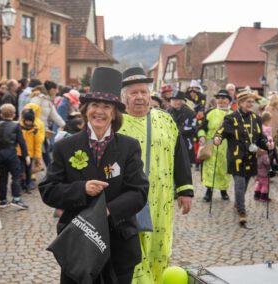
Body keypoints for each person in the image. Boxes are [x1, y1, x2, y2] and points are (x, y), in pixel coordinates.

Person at [39, 67, 149, 283]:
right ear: (85, 109)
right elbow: (48, 190)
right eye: (94, 105)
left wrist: (107, 211)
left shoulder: (129, 147)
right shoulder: (66, 146)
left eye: (106, 106)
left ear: (114, 113)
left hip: (119, 244)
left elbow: (138, 192)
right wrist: (82, 189)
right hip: (78, 243)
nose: (99, 111)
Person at [118, 67, 193, 283]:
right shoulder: (116, 124)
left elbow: (180, 156)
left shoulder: (165, 120)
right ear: (124, 97)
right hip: (129, 199)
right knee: (133, 250)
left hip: (161, 198)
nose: (140, 97)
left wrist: (185, 190)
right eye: (133, 93)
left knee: (159, 248)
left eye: (143, 92)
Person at [214, 89, 274, 225]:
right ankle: (242, 211)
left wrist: (267, 145)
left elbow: (260, 138)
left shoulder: (256, 118)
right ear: (240, 103)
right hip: (236, 158)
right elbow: (220, 132)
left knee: (245, 184)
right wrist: (217, 139)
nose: (251, 104)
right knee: (239, 184)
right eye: (248, 101)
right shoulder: (231, 118)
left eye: (252, 102)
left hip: (250, 158)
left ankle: (237, 202)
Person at [0, 104, 30, 209]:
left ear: (1, 115)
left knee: (2, 177)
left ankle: (3, 200)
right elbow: (22, 142)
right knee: (16, 176)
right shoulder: (16, 126)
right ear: (14, 115)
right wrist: (26, 155)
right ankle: (16, 198)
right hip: (12, 154)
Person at [198, 90, 233, 202]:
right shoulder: (210, 113)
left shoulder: (233, 115)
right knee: (210, 169)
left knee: (224, 170)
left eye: (224, 98)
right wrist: (202, 136)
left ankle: (224, 191)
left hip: (226, 146)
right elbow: (202, 127)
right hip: (211, 145)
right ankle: (209, 191)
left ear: (229, 101)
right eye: (219, 98)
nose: (221, 100)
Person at [18, 105, 45, 192]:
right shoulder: (19, 127)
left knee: (29, 170)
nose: (28, 122)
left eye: (30, 121)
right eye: (27, 120)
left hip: (30, 154)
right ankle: (21, 184)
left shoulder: (35, 130)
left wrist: (38, 156)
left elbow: (37, 144)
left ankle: (27, 184)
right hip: (19, 153)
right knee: (20, 170)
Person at [167, 90, 197, 165]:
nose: (174, 102)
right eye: (173, 100)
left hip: (185, 143)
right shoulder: (167, 112)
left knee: (184, 169)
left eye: (177, 100)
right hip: (170, 143)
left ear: (182, 101)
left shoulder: (190, 113)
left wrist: (178, 129)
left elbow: (194, 127)